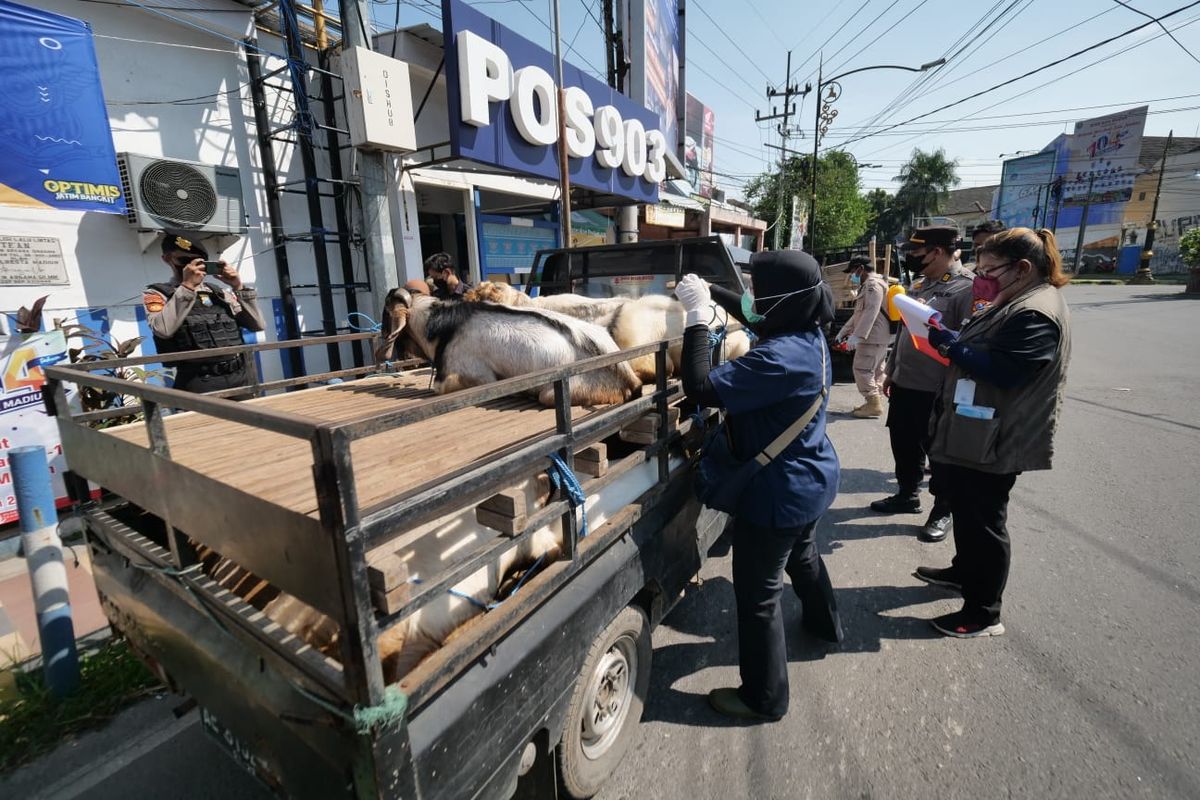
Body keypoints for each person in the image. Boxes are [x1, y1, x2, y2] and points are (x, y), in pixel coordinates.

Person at [674, 250, 842, 722]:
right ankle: (827, 622)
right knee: (804, 556)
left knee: (759, 596)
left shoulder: (780, 358)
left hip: (777, 494)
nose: (751, 298)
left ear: (781, 300)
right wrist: (713, 293)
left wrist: (696, 318)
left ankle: (764, 699)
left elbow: (701, 386)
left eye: (757, 290)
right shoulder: (806, 331)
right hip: (811, 476)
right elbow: (758, 315)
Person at [918, 227, 1071, 638]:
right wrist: (956, 340)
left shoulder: (1035, 310)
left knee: (983, 522)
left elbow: (1007, 371)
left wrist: (954, 348)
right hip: (978, 430)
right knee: (967, 514)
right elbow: (988, 347)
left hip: (999, 436)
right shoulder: (1016, 298)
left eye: (989, 269)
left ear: (1022, 268)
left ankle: (983, 612)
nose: (981, 277)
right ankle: (963, 574)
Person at [871, 226, 974, 543]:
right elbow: (904, 333)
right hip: (906, 382)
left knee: (939, 453)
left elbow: (967, 342)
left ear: (938, 252)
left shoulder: (966, 288)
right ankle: (907, 494)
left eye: (916, 253)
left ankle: (943, 510)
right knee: (903, 441)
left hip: (938, 387)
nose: (911, 259)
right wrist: (891, 370)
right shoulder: (920, 284)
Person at [145, 234, 265, 393]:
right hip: (199, 380)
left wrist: (238, 286)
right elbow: (163, 330)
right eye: (185, 261)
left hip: (239, 376)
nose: (192, 268)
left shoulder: (217, 292)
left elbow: (257, 325)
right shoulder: (157, 293)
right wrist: (187, 287)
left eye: (198, 262)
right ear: (167, 259)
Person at [835, 255, 891, 418]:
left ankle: (873, 403)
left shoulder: (872, 285)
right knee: (877, 371)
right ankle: (873, 402)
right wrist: (844, 331)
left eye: (853, 271)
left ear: (860, 268)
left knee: (862, 368)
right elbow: (859, 313)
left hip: (872, 337)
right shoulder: (872, 284)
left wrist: (858, 336)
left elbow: (871, 311)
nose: (852, 275)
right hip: (877, 336)